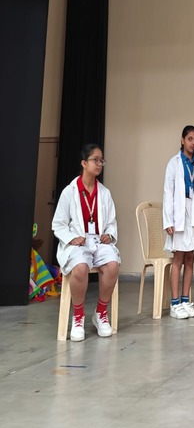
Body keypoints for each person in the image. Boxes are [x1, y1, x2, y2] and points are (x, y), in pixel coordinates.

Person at [52, 144, 120, 341]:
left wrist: (109, 235)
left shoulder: (104, 193)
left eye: (101, 160)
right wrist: (71, 238)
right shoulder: (69, 191)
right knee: (80, 267)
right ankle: (78, 317)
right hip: (78, 243)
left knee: (113, 264)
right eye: (95, 160)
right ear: (84, 163)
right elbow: (58, 224)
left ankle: (100, 313)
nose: (99, 164)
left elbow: (111, 223)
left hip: (99, 242)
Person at [163, 125, 194, 319]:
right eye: (190, 139)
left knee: (191, 257)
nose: (193, 143)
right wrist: (168, 220)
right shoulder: (174, 163)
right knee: (179, 258)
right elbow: (168, 193)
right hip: (179, 213)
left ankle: (185, 301)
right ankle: (175, 304)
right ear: (182, 140)